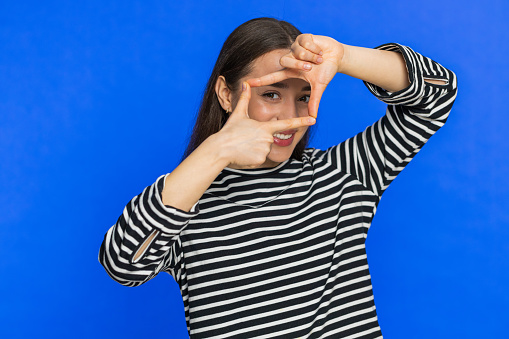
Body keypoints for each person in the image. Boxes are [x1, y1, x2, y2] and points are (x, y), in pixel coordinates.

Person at [99, 17, 457, 338]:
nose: (290, 116)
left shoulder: (343, 174)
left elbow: (438, 93)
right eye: (271, 94)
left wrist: (343, 57)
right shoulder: (185, 197)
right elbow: (123, 264)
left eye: (304, 96)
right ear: (226, 93)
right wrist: (215, 151)